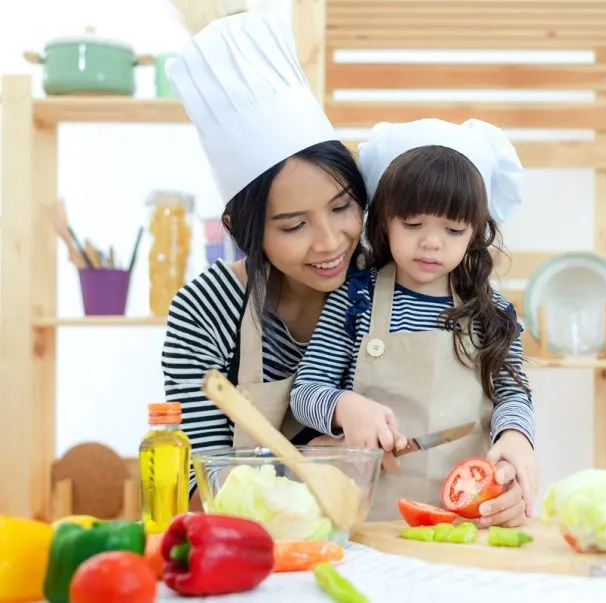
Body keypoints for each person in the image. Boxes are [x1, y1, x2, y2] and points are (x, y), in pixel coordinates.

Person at [160, 11, 368, 509]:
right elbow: (199, 492)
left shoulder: (387, 280)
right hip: (257, 546)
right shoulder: (205, 310)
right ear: (241, 232)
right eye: (294, 225)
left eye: (342, 207)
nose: (329, 242)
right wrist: (313, 461)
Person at [290, 118, 539, 526]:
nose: (431, 242)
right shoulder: (355, 298)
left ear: (476, 231)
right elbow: (305, 394)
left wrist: (516, 438)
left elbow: (513, 396)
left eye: (453, 229)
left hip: (466, 521)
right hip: (364, 522)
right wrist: (344, 406)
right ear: (384, 220)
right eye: (412, 224)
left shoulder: (492, 312)